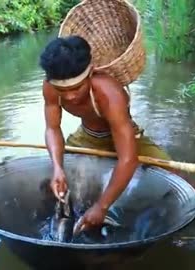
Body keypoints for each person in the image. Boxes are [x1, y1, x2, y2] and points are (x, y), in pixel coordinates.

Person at [39, 35, 173, 235]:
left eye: (76, 88)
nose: (69, 96)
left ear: (90, 72)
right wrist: (58, 167)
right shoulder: (50, 88)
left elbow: (127, 159)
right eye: (62, 90)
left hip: (123, 136)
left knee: (176, 181)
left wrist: (102, 207)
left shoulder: (110, 93)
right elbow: (52, 129)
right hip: (87, 136)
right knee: (52, 184)